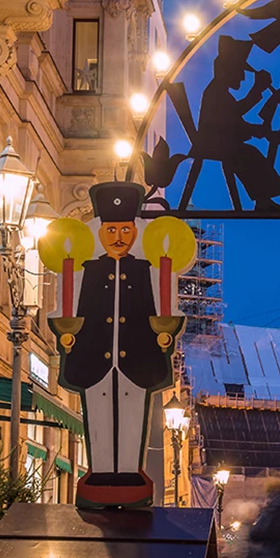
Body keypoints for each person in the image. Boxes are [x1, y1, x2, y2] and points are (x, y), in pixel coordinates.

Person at [51, 181, 181, 509]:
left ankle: (126, 471)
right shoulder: (89, 270)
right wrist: (67, 332)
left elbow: (156, 306)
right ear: (102, 232)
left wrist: (164, 331)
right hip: (94, 354)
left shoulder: (144, 270)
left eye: (125, 229)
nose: (119, 237)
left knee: (133, 410)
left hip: (137, 356)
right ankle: (102, 470)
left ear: (135, 232)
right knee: (96, 410)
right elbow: (76, 306)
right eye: (111, 230)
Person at [181, 35, 280, 212]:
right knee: (249, 154)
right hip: (215, 143)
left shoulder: (219, 91)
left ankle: (263, 200)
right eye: (240, 73)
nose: (242, 78)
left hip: (220, 141)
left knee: (249, 154)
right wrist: (257, 91)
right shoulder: (216, 92)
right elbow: (231, 119)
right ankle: (263, 201)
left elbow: (233, 118)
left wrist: (253, 128)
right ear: (227, 71)